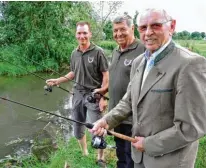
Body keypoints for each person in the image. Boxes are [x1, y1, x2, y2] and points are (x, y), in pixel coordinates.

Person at [92, 8, 206, 168]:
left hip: (170, 162)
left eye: (156, 26)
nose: (148, 33)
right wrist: (106, 120)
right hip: (139, 158)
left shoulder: (190, 64)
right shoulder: (139, 62)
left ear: (172, 26)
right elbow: (128, 100)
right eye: (143, 27)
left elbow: (192, 127)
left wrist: (149, 144)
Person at [46, 21, 109, 167]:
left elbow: (106, 75)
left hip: (95, 94)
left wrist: (104, 96)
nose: (82, 36)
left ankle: (100, 157)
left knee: (98, 128)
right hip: (77, 94)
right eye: (79, 33)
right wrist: (58, 81)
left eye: (85, 33)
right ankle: (85, 152)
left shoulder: (98, 52)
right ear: (76, 35)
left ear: (90, 34)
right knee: (77, 126)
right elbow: (73, 73)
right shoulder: (74, 53)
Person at [109, 15, 145, 168]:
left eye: (122, 29)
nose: (119, 34)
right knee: (121, 155)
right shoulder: (116, 51)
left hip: (134, 118)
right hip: (116, 116)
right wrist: (102, 92)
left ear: (132, 28)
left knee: (132, 158)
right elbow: (116, 79)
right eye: (115, 30)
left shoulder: (143, 49)